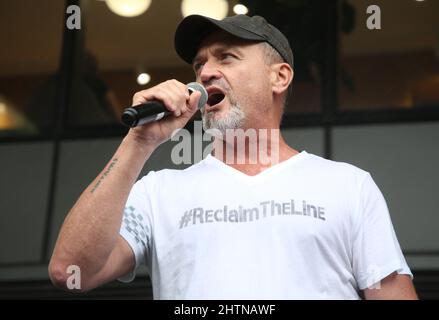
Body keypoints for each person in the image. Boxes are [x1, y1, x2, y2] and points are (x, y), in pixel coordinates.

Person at [49, 14, 418, 300]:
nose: (207, 72)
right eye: (199, 65)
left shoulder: (348, 186)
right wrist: (139, 141)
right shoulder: (159, 193)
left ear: (280, 77)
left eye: (227, 57)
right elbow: (70, 271)